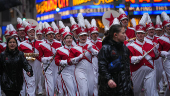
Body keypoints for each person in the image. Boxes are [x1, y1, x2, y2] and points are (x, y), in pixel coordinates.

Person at [98, 18, 133, 96]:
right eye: (123, 33)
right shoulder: (106, 48)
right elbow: (102, 66)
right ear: (115, 35)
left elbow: (126, 67)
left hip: (125, 88)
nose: (125, 35)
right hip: (110, 88)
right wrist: (109, 79)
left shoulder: (125, 48)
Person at [128, 13, 159, 96]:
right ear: (136, 34)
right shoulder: (131, 46)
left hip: (150, 71)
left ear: (145, 34)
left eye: (142, 33)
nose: (140, 35)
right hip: (137, 71)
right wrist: (135, 58)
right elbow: (128, 58)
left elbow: (155, 57)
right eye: (138, 33)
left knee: (151, 92)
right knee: (136, 92)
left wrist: (156, 51)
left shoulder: (150, 45)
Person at [38, 22, 62, 96]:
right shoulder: (41, 44)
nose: (51, 35)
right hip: (47, 66)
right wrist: (47, 59)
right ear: (46, 35)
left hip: (57, 66)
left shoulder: (59, 44)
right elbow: (39, 57)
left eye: (52, 34)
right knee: (49, 85)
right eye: (49, 34)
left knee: (56, 84)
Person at [55, 29, 77, 96]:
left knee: (75, 90)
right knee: (71, 92)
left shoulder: (75, 49)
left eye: (70, 38)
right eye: (67, 38)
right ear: (64, 40)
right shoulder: (59, 50)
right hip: (65, 72)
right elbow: (56, 61)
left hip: (75, 72)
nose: (69, 40)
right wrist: (65, 62)